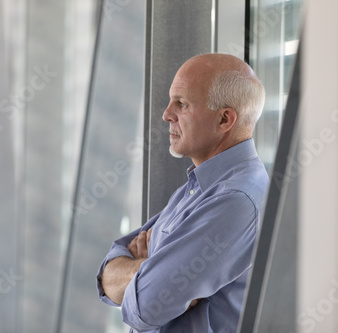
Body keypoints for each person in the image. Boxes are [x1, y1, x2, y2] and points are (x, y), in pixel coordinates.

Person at [96, 53, 269, 332]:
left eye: (182, 104)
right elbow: (106, 273)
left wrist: (149, 273)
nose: (166, 114)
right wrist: (151, 269)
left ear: (225, 119)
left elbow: (148, 305)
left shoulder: (236, 200)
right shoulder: (199, 186)